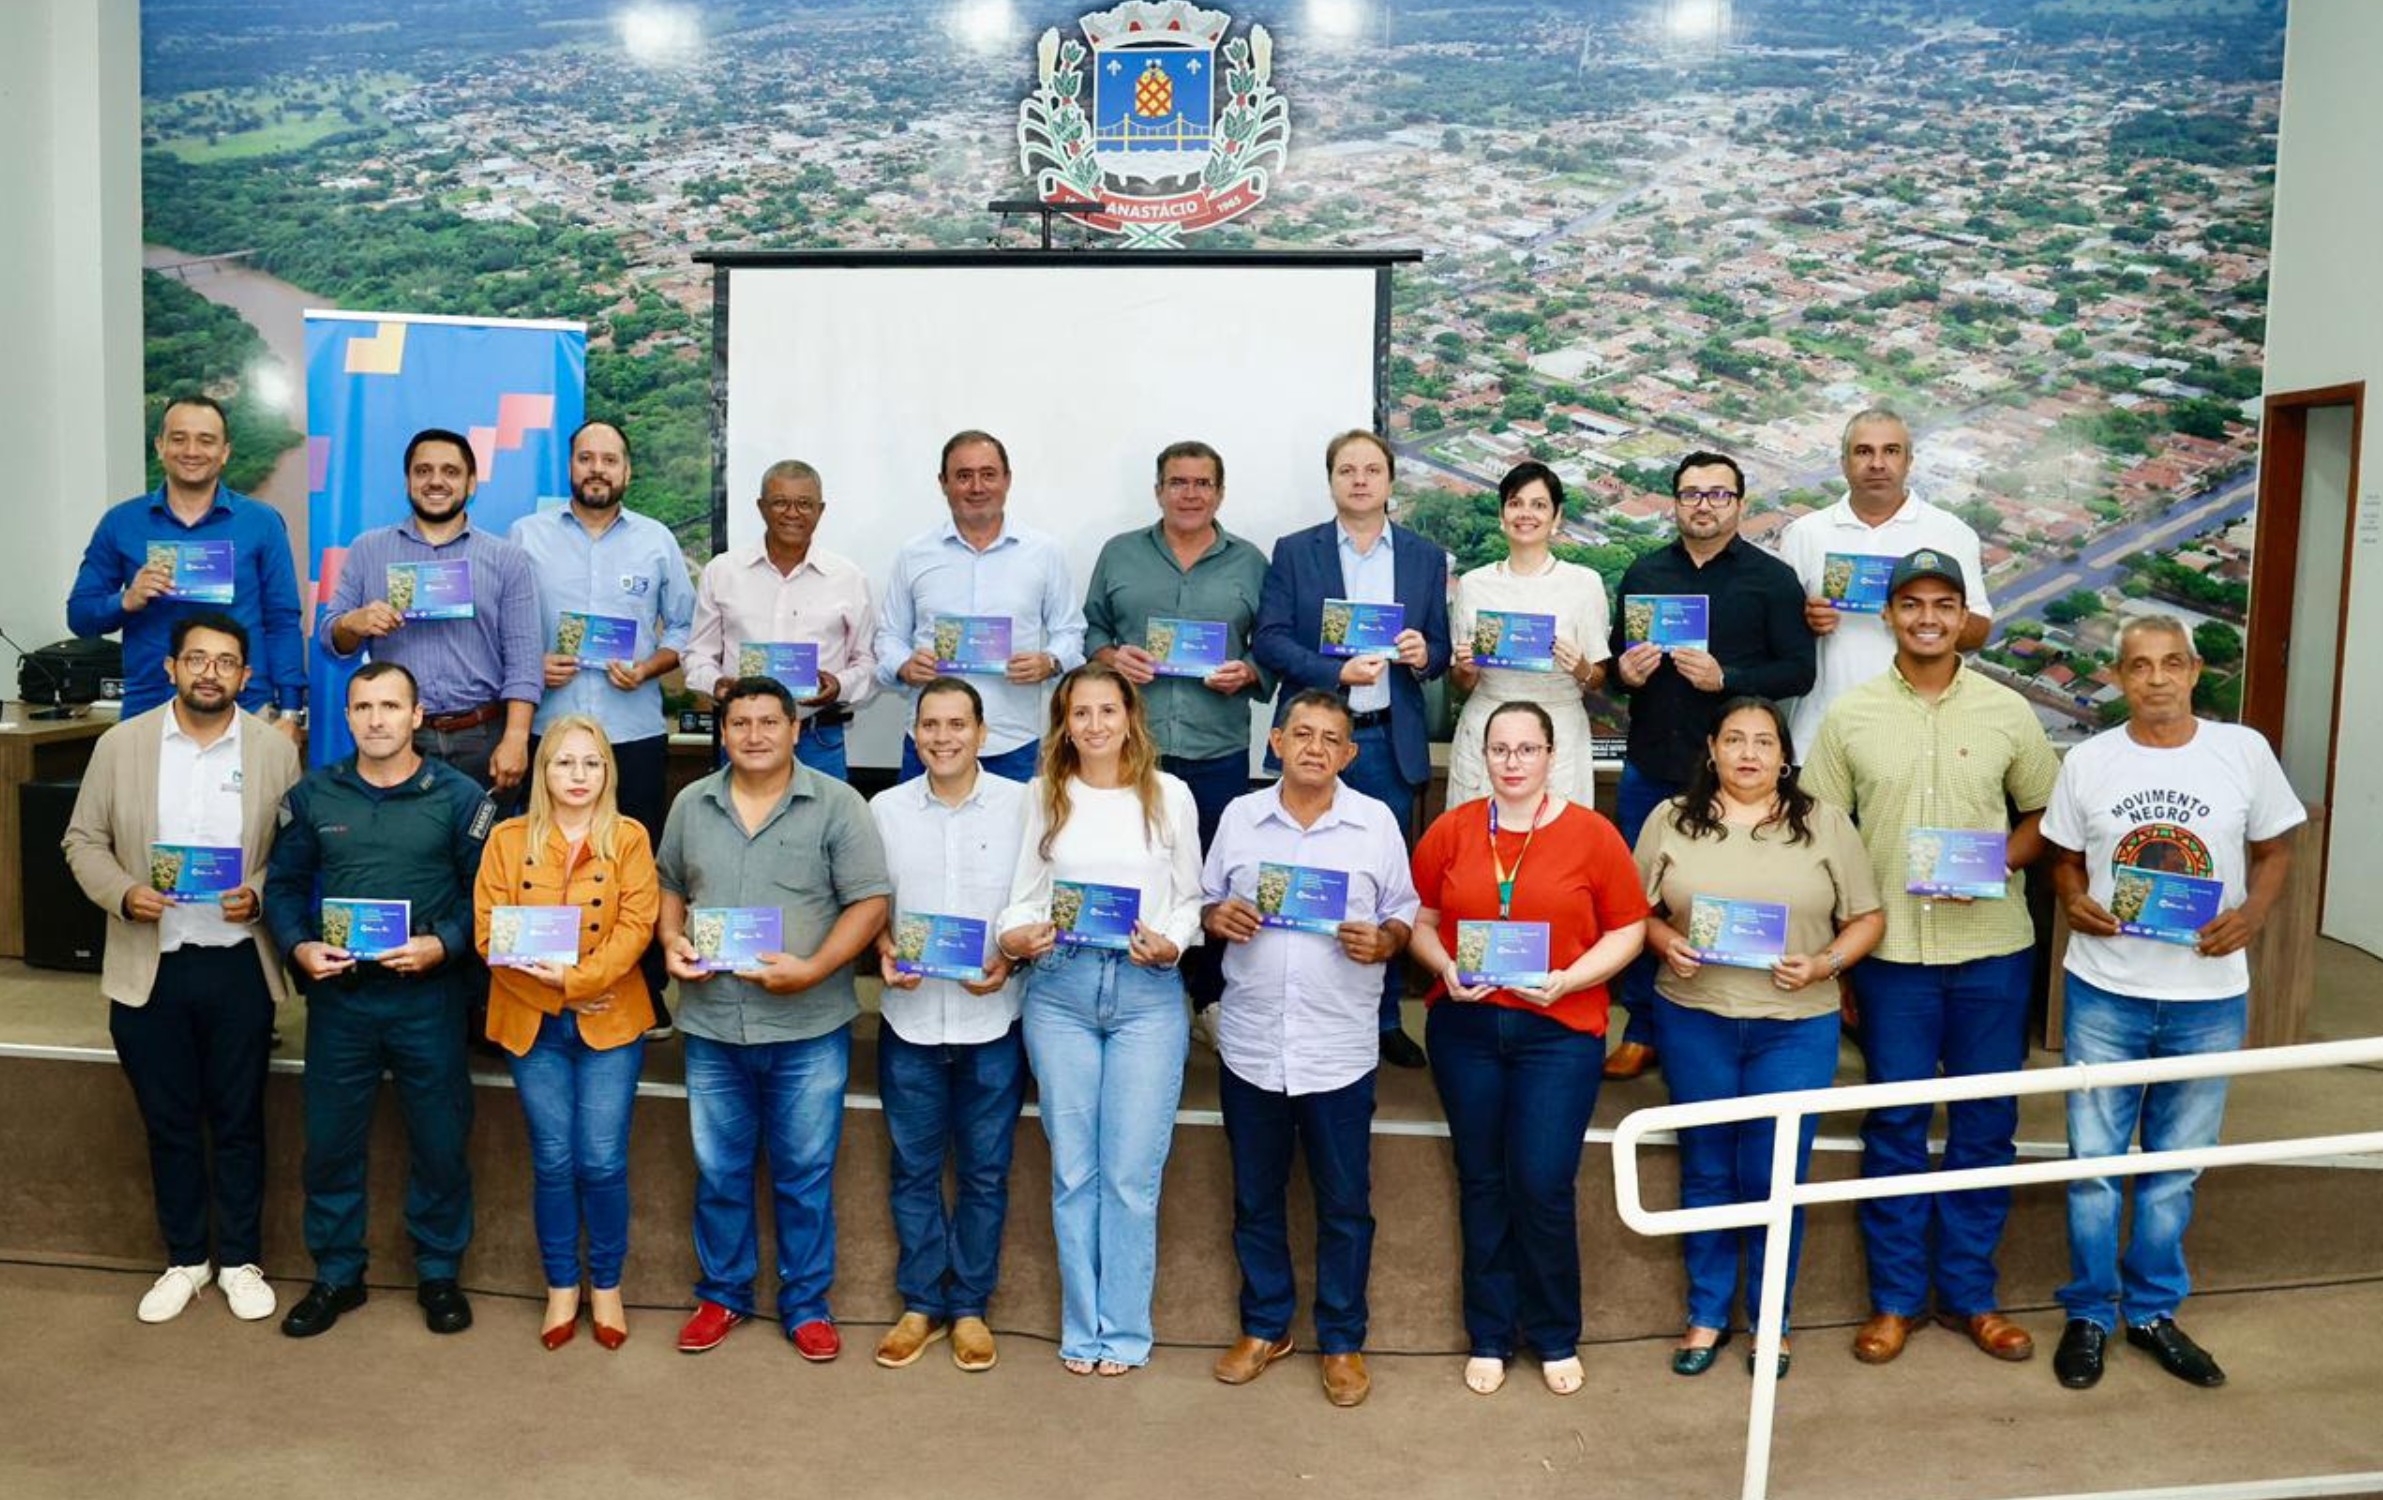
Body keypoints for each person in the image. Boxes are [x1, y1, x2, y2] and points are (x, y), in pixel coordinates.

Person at [1800, 548, 2060, 1367]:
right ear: (1887, 616)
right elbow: (1821, 836)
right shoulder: (1850, 716)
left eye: (1943, 604)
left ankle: (1972, 1297)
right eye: (1910, 604)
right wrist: (1839, 955)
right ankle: (1895, 1302)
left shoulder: (2006, 711)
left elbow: (2046, 815)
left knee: (1985, 1124)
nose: (1926, 618)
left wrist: (1993, 863)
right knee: (1896, 1126)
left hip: (1992, 952)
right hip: (1891, 957)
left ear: (1963, 618)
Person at [2040, 615, 2305, 1391]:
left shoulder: (2242, 751)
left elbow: (2275, 849)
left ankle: (2152, 1312)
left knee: (2172, 1172)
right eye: (2137, 665)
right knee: (2093, 1169)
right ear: (2117, 678)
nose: (2154, 678)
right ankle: (2089, 1313)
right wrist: (2072, 900)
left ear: (2193, 672)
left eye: (2169, 663)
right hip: (2106, 992)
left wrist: (2252, 915)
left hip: (2206, 998)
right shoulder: (2089, 760)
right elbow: (2062, 860)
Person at [61, 612, 302, 1324]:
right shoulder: (121, 744)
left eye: (225, 662)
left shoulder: (273, 750)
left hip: (236, 962)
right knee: (168, 1121)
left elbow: (292, 853)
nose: (209, 673)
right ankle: (186, 1259)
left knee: (238, 1118)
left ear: (245, 676)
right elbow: (83, 840)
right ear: (170, 668)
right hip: (150, 963)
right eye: (196, 659)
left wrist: (258, 891)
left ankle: (241, 1260)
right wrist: (122, 893)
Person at [1633, 697, 1883, 1379]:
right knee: (1707, 1168)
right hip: (1695, 1018)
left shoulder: (1825, 822)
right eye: (1735, 740)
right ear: (1711, 748)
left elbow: (1867, 917)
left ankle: (1772, 1320)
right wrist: (1664, 941)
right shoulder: (1669, 818)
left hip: (1795, 1028)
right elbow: (1633, 911)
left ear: (1783, 756)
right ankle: (1706, 1315)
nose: (1748, 753)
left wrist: (1826, 964)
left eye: (1764, 742)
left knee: (1775, 1176)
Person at [1406, 701, 1649, 1397]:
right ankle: (1488, 1333)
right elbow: (1420, 919)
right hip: (1467, 1029)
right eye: (1500, 749)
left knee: (1541, 1183)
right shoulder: (1451, 830)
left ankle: (1552, 1333)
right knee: (1481, 1179)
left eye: (1527, 749)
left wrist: (1572, 978)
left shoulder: (1593, 835)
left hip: (1559, 1031)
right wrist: (1443, 966)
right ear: (1482, 755)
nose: (1512, 762)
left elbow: (1629, 928)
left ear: (1551, 755)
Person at [658, 677, 891, 1360]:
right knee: (719, 1172)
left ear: (795, 729)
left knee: (804, 1174)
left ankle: (807, 1304)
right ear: (722, 732)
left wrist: (814, 968)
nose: (754, 735)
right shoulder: (691, 804)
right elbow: (669, 885)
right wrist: (670, 940)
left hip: (807, 1026)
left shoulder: (839, 804)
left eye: (768, 722)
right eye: (740, 723)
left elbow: (870, 903)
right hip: (713, 1022)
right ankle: (722, 1294)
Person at [1199, 690, 1419, 1407]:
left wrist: (1385, 941)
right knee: (1255, 1198)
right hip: (1253, 1043)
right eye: (1302, 734)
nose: (1315, 748)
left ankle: (1342, 1339)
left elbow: (1403, 912)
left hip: (1337, 1048)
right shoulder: (1240, 817)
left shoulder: (1375, 822)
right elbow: (1205, 899)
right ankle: (1265, 1326)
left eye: (1330, 738)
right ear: (1276, 742)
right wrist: (1217, 916)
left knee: (1345, 1204)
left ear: (1349, 754)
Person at [264, 662, 494, 1338]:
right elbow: (283, 888)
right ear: (347, 717)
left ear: (416, 716)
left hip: (429, 998)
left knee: (441, 1141)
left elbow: (488, 894)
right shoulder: (315, 794)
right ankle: (338, 1274)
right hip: (343, 1000)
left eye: (390, 706)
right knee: (330, 1144)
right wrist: (298, 947)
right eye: (363, 707)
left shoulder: (458, 796)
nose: (376, 719)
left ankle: (439, 1272)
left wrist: (444, 945)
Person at [996, 662, 1203, 1376]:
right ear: (1064, 724)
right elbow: (1022, 898)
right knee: (1074, 1172)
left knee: (1128, 1177)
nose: (1093, 725)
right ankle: (1081, 1330)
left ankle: (1125, 1332)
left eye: (1106, 711)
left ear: (1129, 716)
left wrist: (1172, 940)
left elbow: (1190, 899)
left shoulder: (1170, 795)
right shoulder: (1042, 794)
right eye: (1079, 713)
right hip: (1061, 991)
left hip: (1147, 994)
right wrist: (1016, 936)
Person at [1603, 451, 1814, 1083]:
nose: (1704, 505)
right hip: (1652, 766)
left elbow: (1799, 671)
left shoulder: (1772, 580)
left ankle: (1723, 1025)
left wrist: (1730, 678)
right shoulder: (1645, 572)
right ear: (1675, 502)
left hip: (1738, 781)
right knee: (1641, 903)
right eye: (1691, 493)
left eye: (1718, 494)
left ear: (1739, 504)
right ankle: (1642, 1030)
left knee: (1729, 900)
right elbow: (1617, 663)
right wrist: (1624, 672)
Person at [1253, 429, 1451, 1069]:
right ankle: (1300, 1008)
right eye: (1347, 470)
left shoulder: (1424, 556)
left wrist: (1423, 655)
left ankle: (1384, 1016)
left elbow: (1443, 649)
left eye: (1372, 470)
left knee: (1384, 888)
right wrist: (1333, 671)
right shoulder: (1295, 551)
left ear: (1390, 481)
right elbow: (1270, 640)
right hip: (1315, 740)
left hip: (1386, 741)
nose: (1360, 480)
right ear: (1332, 480)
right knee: (1302, 872)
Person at [472, 715, 658, 1351]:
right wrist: (559, 990)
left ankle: (605, 1284)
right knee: (553, 1159)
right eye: (563, 762)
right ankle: (560, 1287)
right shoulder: (507, 839)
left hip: (611, 1017)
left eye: (591, 763)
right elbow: (488, 933)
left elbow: (636, 928)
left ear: (608, 771)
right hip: (531, 1021)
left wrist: (578, 980)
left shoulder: (629, 837)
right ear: (542, 770)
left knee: (602, 1159)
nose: (578, 775)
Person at [866, 677, 1029, 1373]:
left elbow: (1036, 901)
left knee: (985, 1173)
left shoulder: (1024, 806)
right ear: (914, 735)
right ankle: (920, 1304)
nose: (943, 737)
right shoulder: (884, 809)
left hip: (992, 1018)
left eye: (957, 724)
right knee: (913, 1170)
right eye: (930, 725)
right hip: (910, 1020)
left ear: (983, 733)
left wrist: (1011, 961)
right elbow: (871, 903)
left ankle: (969, 1307)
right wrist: (882, 949)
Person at [1084, 440, 1272, 1043]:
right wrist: (1111, 657)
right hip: (1130, 749)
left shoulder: (1250, 562)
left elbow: (1271, 642)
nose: (1190, 494)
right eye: (1178, 482)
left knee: (1212, 875)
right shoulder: (1119, 554)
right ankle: (1135, 987)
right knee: (1132, 866)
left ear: (1220, 492)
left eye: (1202, 483)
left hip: (1217, 747)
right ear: (1158, 490)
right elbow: (1091, 629)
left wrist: (1248, 671)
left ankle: (1208, 995)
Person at [510, 419, 692, 1029]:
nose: (597, 469)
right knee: (546, 860)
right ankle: (545, 980)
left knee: (634, 862)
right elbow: (504, 624)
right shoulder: (526, 536)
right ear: (570, 466)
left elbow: (687, 628)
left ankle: (643, 985)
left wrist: (649, 667)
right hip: (549, 731)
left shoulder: (657, 541)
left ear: (626, 471)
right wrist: (531, 664)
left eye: (609, 460)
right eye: (586, 457)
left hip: (630, 732)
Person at [318, 427, 544, 801]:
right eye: (423, 471)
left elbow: (524, 661)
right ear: (408, 481)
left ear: (471, 483)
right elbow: (332, 640)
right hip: (399, 736)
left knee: (484, 840)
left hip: (483, 738)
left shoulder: (508, 559)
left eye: (450, 471)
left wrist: (516, 738)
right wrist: (353, 623)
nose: (435, 481)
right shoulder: (368, 549)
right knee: (399, 839)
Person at [68, 395, 308, 730]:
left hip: (244, 707)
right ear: (160, 446)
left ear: (224, 452)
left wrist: (290, 711)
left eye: (206, 440)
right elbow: (79, 616)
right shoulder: (121, 523)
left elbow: (281, 620)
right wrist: (126, 600)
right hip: (149, 707)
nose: (191, 451)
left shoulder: (261, 523)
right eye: (179, 439)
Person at [875, 430, 1086, 783]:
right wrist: (903, 666)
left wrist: (1050, 661)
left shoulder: (1045, 552)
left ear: (1007, 480)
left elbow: (1070, 631)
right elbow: (889, 636)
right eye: (963, 476)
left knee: (1016, 823)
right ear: (943, 483)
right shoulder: (914, 554)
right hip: (931, 741)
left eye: (988, 474)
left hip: (1012, 740)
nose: (976, 487)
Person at [1777, 407, 1993, 753]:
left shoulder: (1951, 533)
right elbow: (1775, 637)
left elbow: (1978, 632)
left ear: (1909, 461)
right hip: (1818, 737)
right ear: (1844, 462)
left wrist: (1921, 618)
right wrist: (1805, 622)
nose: (1877, 463)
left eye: (1891, 451)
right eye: (1863, 451)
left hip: (1915, 739)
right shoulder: (1804, 534)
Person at [684, 458, 879, 781]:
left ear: (820, 510)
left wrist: (839, 687)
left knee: (824, 817)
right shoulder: (722, 572)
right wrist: (715, 684)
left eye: (804, 504)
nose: (792, 513)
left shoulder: (848, 578)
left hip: (818, 739)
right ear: (761, 507)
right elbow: (697, 655)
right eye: (780, 502)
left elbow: (868, 662)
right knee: (742, 816)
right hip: (745, 738)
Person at [1447, 461, 1610, 809]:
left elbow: (1598, 677)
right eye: (1515, 503)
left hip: (1559, 728)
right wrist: (1466, 669)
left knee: (1557, 837)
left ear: (1556, 517)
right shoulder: (1474, 584)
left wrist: (1580, 667)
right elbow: (1461, 683)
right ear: (1502, 514)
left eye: (1539, 505)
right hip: (1488, 728)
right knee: (1479, 834)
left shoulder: (1584, 584)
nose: (1526, 514)